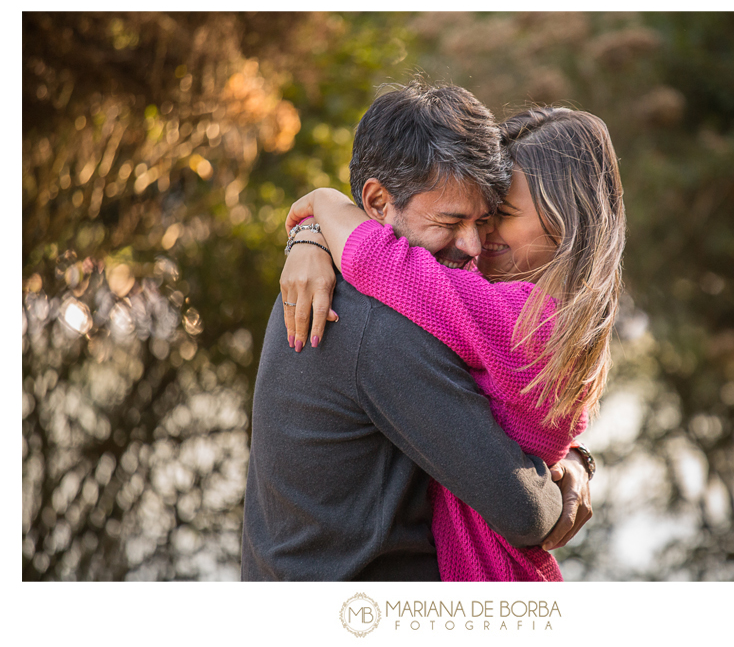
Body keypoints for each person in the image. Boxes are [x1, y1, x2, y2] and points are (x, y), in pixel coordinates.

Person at [241, 81, 593, 581]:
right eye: (451, 222)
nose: (473, 247)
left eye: (485, 221)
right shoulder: (376, 326)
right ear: (378, 203)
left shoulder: (370, 286)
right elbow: (526, 512)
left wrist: (312, 227)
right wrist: (562, 478)